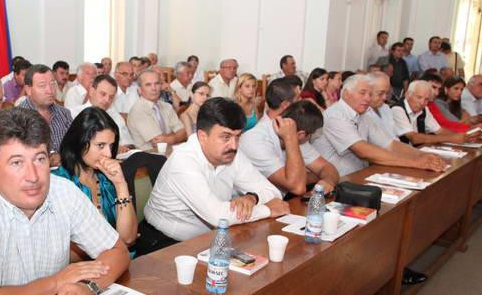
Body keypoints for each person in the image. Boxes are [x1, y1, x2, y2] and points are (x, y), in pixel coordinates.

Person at [0, 107, 131, 295]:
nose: (33, 176)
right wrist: (57, 282)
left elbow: (118, 251)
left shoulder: (63, 191)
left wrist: (88, 286)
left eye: (39, 159)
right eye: (17, 162)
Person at [143, 98, 289, 243]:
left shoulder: (231, 154)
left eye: (237, 136)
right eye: (226, 137)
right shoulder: (183, 161)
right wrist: (267, 210)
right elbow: (219, 216)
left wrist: (251, 198)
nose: (234, 145)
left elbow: (273, 192)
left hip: (210, 237)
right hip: (164, 243)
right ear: (202, 136)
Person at [311, 75, 446, 176]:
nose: (367, 98)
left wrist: (423, 155)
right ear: (346, 93)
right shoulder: (335, 115)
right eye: (362, 93)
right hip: (337, 180)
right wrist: (415, 163)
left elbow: (391, 144)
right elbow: (363, 150)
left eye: (370, 94)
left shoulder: (364, 115)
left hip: (360, 175)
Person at [53, 107, 137, 246]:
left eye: (111, 146)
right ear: (79, 143)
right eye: (101, 145)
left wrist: (120, 185)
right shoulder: (58, 184)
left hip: (120, 256)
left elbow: (128, 238)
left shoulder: (108, 178)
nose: (108, 154)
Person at [240, 82, 338, 197]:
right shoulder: (255, 140)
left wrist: (327, 181)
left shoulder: (295, 130)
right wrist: (291, 139)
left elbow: (326, 167)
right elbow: (297, 187)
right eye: (311, 135)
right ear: (301, 135)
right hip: (251, 203)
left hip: (279, 200)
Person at [17, 64, 73, 160]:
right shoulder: (17, 117)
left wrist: (63, 157)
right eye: (42, 86)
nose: (50, 91)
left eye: (52, 84)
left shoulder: (64, 113)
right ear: (28, 90)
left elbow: (74, 145)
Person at [390, 80, 467, 146]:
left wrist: (462, 137)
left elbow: (439, 131)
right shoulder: (397, 109)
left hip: (418, 150)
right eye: (419, 97)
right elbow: (414, 138)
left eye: (426, 99)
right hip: (401, 153)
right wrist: (451, 138)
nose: (422, 102)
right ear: (407, 95)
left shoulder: (424, 109)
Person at [71, 74, 134, 151]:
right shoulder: (74, 114)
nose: (107, 100)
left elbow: (128, 143)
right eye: (103, 94)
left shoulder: (115, 116)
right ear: (91, 92)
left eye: (111, 97)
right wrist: (113, 149)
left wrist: (125, 148)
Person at [127, 70, 186, 150]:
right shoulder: (138, 110)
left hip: (171, 152)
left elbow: (184, 133)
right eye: (148, 85)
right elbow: (158, 142)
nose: (154, 88)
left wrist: (171, 138)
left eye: (157, 83)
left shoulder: (167, 106)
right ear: (139, 90)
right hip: (149, 155)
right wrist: (175, 135)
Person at [366, 72, 399, 138]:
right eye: (380, 93)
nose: (385, 97)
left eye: (387, 93)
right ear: (368, 91)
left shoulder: (385, 108)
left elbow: (394, 136)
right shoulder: (363, 113)